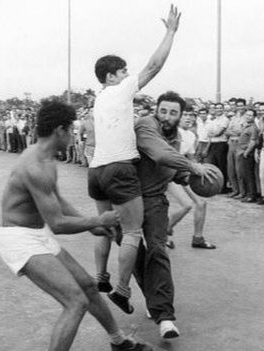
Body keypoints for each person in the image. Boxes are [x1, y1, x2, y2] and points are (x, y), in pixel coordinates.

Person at [0, 99, 151, 351]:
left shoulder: (45, 158)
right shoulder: (35, 165)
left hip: (36, 234)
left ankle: (118, 341)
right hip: (19, 240)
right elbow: (57, 223)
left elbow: (58, 201)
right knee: (75, 302)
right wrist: (98, 220)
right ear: (60, 130)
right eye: (72, 129)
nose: (75, 134)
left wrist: (91, 226)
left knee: (88, 286)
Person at [90, 5, 182, 314]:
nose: (128, 75)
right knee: (132, 232)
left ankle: (100, 276)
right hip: (119, 168)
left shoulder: (98, 99)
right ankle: (122, 289)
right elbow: (154, 66)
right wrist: (169, 32)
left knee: (106, 227)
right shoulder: (119, 90)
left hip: (95, 171)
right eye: (123, 71)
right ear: (111, 76)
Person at [131, 91, 218, 339]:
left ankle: (165, 318)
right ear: (156, 110)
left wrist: (197, 178)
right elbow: (160, 154)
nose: (167, 116)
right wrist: (192, 166)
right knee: (135, 252)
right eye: (163, 110)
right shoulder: (146, 125)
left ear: (181, 115)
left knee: (158, 251)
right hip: (127, 199)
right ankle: (153, 301)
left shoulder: (178, 138)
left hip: (155, 200)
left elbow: (174, 171)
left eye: (173, 112)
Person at [165, 113, 217, 249]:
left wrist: (200, 170)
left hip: (182, 170)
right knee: (186, 205)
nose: (189, 118)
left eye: (192, 116)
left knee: (201, 202)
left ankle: (198, 239)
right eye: (185, 115)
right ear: (178, 117)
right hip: (168, 172)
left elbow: (191, 157)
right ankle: (164, 231)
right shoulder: (171, 133)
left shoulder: (191, 135)